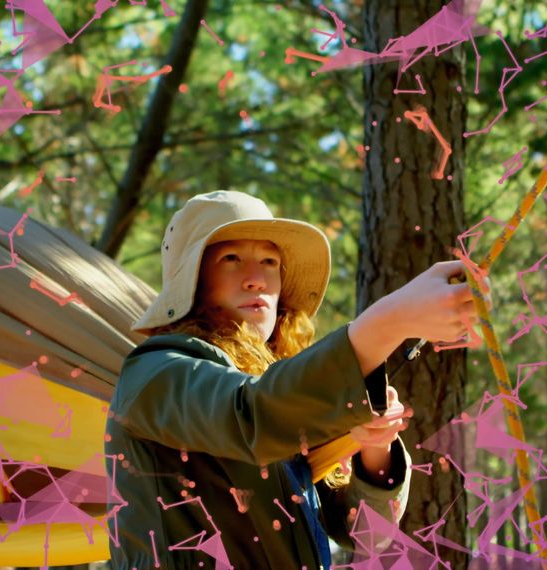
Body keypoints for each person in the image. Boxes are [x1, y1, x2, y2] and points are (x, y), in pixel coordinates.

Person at [105, 190, 482, 569]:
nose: (256, 279)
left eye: (269, 261)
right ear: (193, 280)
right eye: (231, 259)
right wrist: (391, 320)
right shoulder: (154, 372)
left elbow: (367, 536)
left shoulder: (290, 402)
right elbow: (250, 415)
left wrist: (375, 449)